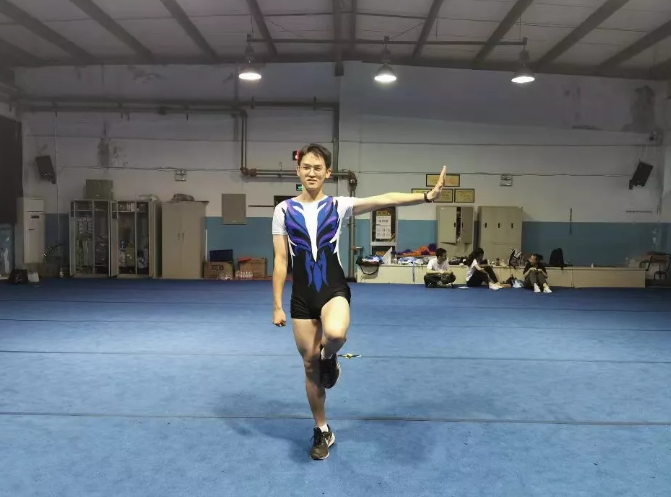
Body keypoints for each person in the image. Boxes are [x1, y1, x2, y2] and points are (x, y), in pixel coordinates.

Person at [271, 143, 448, 460]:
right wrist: (277, 305)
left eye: (318, 167)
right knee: (310, 366)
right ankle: (322, 429)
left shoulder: (338, 205)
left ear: (327, 173)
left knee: (336, 334)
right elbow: (281, 260)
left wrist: (425, 196)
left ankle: (330, 357)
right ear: (298, 171)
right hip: (301, 297)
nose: (311, 172)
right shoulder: (283, 210)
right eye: (306, 167)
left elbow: (385, 199)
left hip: (333, 288)